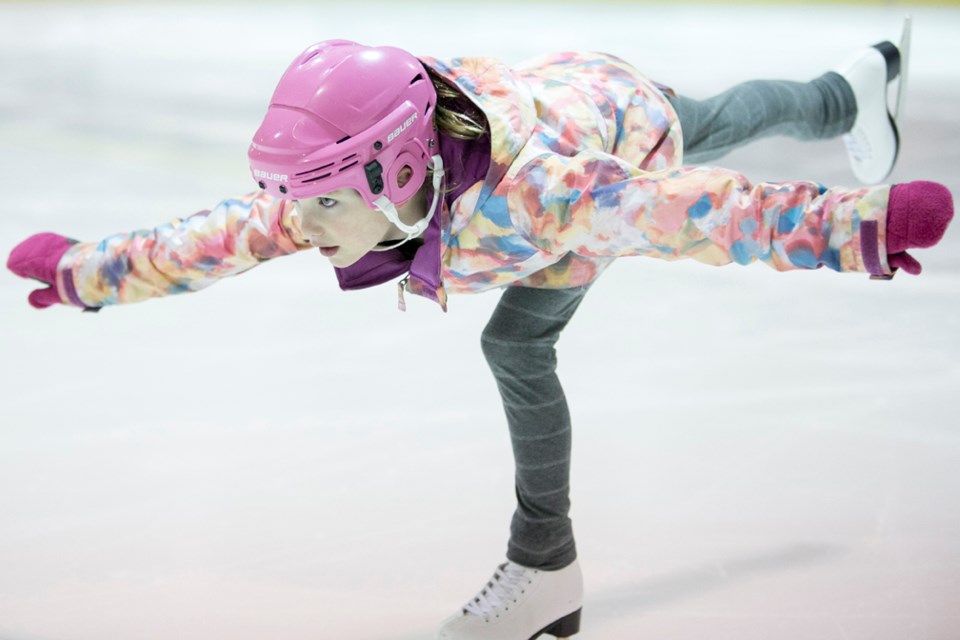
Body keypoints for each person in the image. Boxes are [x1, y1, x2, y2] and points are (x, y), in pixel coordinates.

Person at [6, 24, 954, 640]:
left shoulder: (560, 200)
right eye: (291, 196)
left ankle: (546, 564)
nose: (302, 223)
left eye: (322, 200)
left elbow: (705, 214)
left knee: (523, 337)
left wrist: (859, 226)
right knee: (726, 114)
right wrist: (83, 271)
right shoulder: (331, 195)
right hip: (558, 92)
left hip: (607, 130)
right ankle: (846, 88)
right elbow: (207, 240)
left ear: (395, 168)